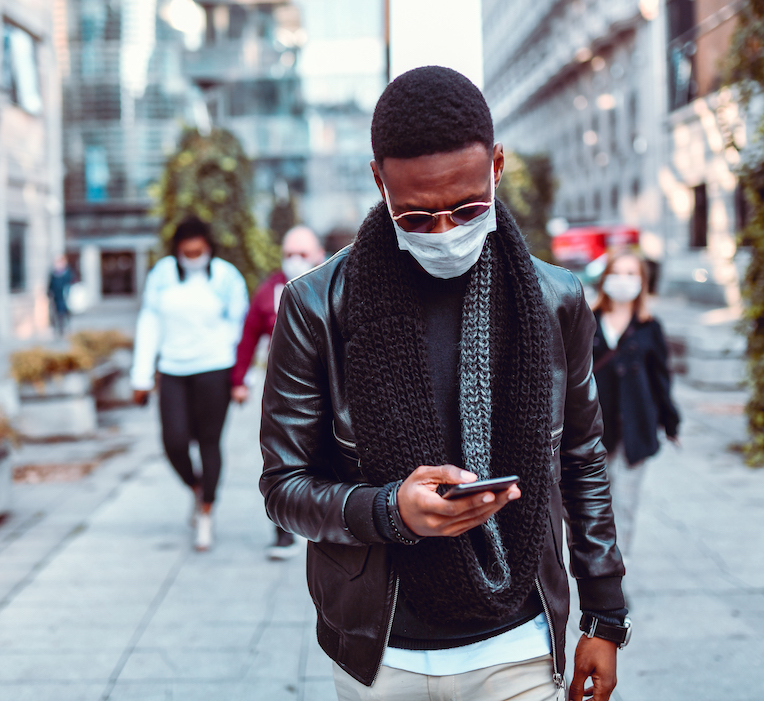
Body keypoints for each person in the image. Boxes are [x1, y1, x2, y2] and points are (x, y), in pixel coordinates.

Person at [259, 66, 628, 701]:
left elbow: (581, 460)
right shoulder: (315, 306)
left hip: (520, 641)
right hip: (380, 654)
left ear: (498, 165)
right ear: (379, 181)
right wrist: (389, 510)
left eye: (468, 208)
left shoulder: (555, 299)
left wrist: (604, 616)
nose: (445, 231)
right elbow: (283, 488)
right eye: (417, 216)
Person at [131, 218, 249, 552]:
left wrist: (241, 379)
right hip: (172, 370)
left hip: (214, 368)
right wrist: (141, 376)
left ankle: (207, 514)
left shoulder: (226, 277)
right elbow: (149, 321)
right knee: (174, 440)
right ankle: (196, 488)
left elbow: (240, 329)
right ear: (177, 251)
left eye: (199, 252)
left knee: (210, 443)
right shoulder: (162, 275)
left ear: (209, 249)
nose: (193, 257)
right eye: (187, 252)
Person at [232, 225, 327, 560]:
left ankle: (323, 518)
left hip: (332, 385)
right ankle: (284, 530)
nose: (295, 260)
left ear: (318, 252)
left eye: (302, 253)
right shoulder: (270, 290)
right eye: (289, 254)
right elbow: (248, 337)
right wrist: (239, 380)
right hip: (286, 386)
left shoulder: (338, 281)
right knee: (283, 452)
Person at [590, 251, 680, 555]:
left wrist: (671, 423)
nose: (624, 281)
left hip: (635, 431)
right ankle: (594, 570)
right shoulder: (586, 322)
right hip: (592, 434)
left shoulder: (649, 327)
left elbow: (661, 380)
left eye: (632, 274)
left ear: (642, 282)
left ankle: (616, 576)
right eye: (618, 272)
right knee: (590, 509)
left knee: (624, 507)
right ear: (605, 279)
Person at [47, 255, 74, 339]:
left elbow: (70, 283)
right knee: (58, 314)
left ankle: (65, 328)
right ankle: (59, 329)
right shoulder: (53, 274)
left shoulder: (67, 273)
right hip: (56, 297)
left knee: (64, 313)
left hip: (65, 297)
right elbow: (50, 285)